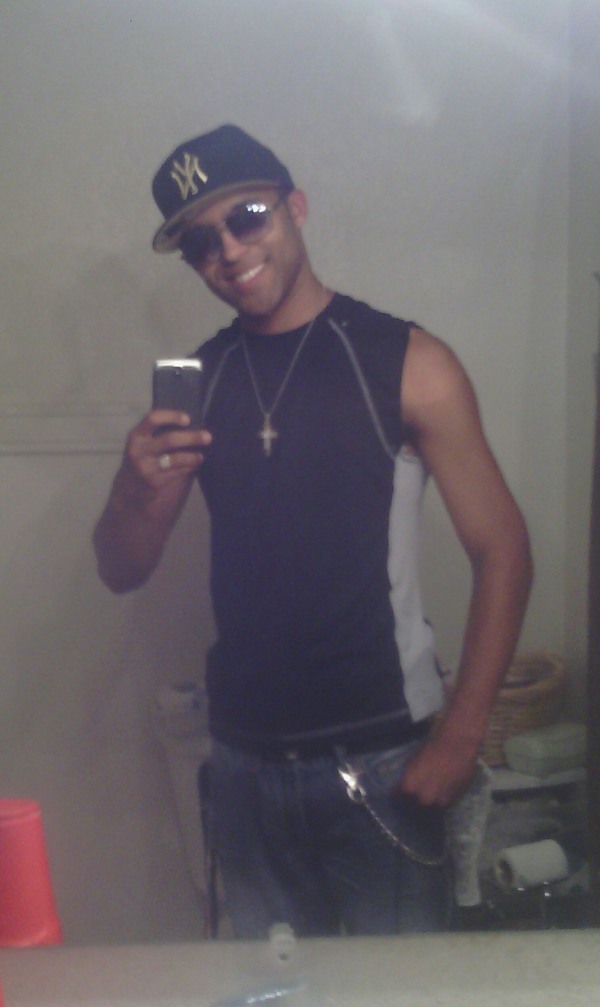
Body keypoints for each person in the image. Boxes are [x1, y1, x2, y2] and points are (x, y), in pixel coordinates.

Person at [93, 124, 533, 938]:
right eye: (200, 242)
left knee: (394, 995)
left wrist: (464, 732)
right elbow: (121, 567)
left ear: (294, 207)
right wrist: (131, 485)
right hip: (243, 765)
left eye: (246, 217)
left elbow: (502, 546)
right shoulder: (206, 379)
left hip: (386, 760)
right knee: (269, 992)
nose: (228, 250)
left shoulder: (408, 361)